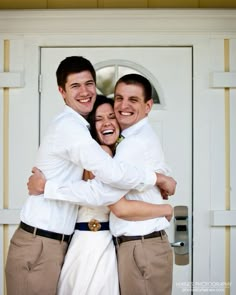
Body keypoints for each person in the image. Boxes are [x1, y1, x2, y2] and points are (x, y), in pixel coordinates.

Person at [5, 56, 175, 295]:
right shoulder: (73, 131)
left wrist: (161, 194)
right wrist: (159, 181)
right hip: (46, 242)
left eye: (89, 84)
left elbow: (110, 191)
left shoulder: (120, 146)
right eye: (75, 86)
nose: (84, 92)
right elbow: (106, 191)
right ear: (62, 91)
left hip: (82, 244)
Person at [56, 96, 173, 295]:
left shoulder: (116, 157)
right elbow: (120, 207)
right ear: (92, 127)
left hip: (100, 242)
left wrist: (160, 179)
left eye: (111, 116)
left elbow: (131, 179)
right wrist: (165, 209)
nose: (107, 122)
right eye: (99, 119)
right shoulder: (101, 154)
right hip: (93, 247)